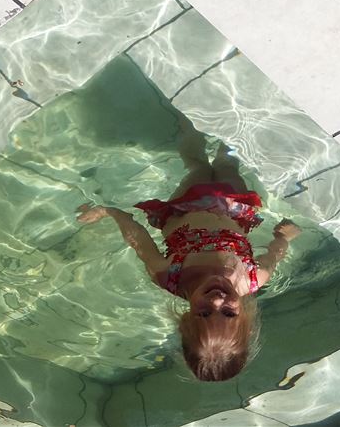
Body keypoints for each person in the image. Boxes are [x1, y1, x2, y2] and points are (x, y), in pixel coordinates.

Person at [76, 114, 300, 381]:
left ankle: (189, 119)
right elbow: (274, 256)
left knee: (198, 168)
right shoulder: (252, 278)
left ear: (185, 320)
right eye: (228, 312)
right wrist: (284, 238)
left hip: (187, 205)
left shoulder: (170, 275)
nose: (217, 300)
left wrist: (112, 212)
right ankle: (237, 123)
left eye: (204, 313)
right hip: (234, 208)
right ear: (244, 320)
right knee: (228, 166)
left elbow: (137, 240)